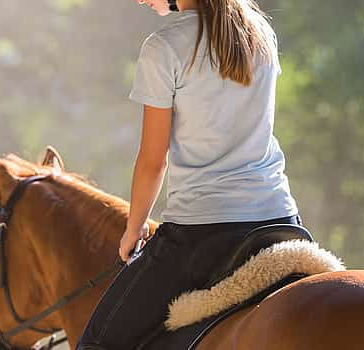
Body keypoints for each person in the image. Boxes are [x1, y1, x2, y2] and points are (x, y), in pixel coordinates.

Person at [75, 0, 300, 349]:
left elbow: (153, 160)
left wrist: (133, 231)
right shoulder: (260, 32)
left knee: (96, 343)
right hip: (279, 219)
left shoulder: (163, 48)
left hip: (202, 232)